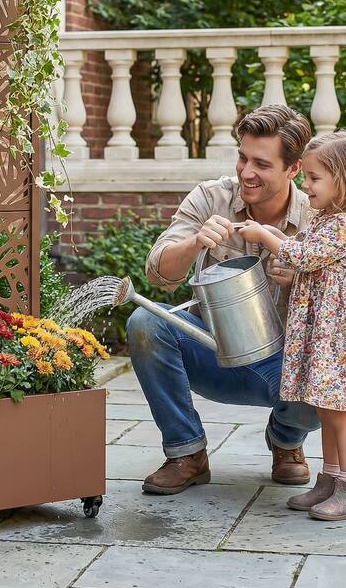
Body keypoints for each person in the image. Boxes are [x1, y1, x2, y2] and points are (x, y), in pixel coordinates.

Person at [128, 104, 320, 496]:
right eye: (242, 157)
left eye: (262, 164)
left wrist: (302, 281)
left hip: (282, 367)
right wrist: (195, 242)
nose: (246, 172)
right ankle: (187, 454)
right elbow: (157, 272)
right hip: (211, 351)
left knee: (331, 373)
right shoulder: (210, 197)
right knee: (145, 323)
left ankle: (286, 440)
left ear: (293, 169)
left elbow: (345, 306)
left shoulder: (316, 216)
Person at [239, 131, 346, 520]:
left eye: (315, 178)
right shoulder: (326, 219)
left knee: (339, 414)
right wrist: (268, 232)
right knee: (324, 410)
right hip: (323, 335)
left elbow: (301, 256)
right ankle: (330, 481)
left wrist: (262, 235)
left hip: (338, 338)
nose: (306, 185)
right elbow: (299, 245)